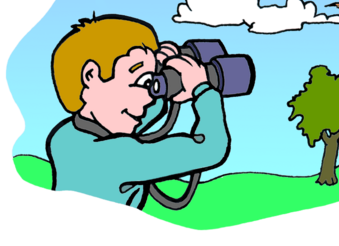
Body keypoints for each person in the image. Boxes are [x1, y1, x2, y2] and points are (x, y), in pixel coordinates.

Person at [46, 13, 231, 211]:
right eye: (141, 82)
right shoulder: (115, 157)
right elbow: (210, 149)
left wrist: (162, 72)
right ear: (91, 75)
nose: (150, 97)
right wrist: (202, 89)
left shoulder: (64, 137)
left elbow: (137, 113)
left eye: (152, 84)